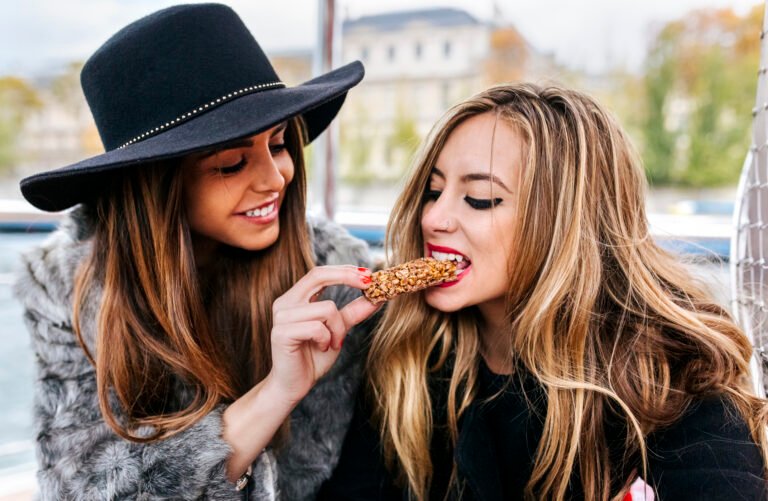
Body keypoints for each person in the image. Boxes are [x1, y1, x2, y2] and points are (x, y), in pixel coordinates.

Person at [320, 83, 768, 500]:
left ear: (563, 226)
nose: (433, 218)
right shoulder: (406, 353)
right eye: (433, 191)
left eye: (479, 199)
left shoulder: (667, 381)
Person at [13, 4, 378, 499]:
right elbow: (86, 488)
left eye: (278, 144)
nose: (275, 180)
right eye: (231, 164)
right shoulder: (69, 291)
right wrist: (276, 392)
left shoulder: (333, 277)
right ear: (158, 188)